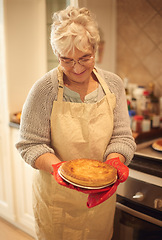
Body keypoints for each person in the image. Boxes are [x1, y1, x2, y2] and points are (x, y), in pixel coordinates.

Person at [16, 6, 136, 240]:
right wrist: (58, 169)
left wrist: (114, 162)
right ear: (56, 53)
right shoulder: (44, 90)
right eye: (66, 60)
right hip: (57, 203)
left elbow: (122, 136)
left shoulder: (113, 84)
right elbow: (29, 144)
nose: (77, 68)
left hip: (100, 200)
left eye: (85, 58)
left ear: (96, 50)